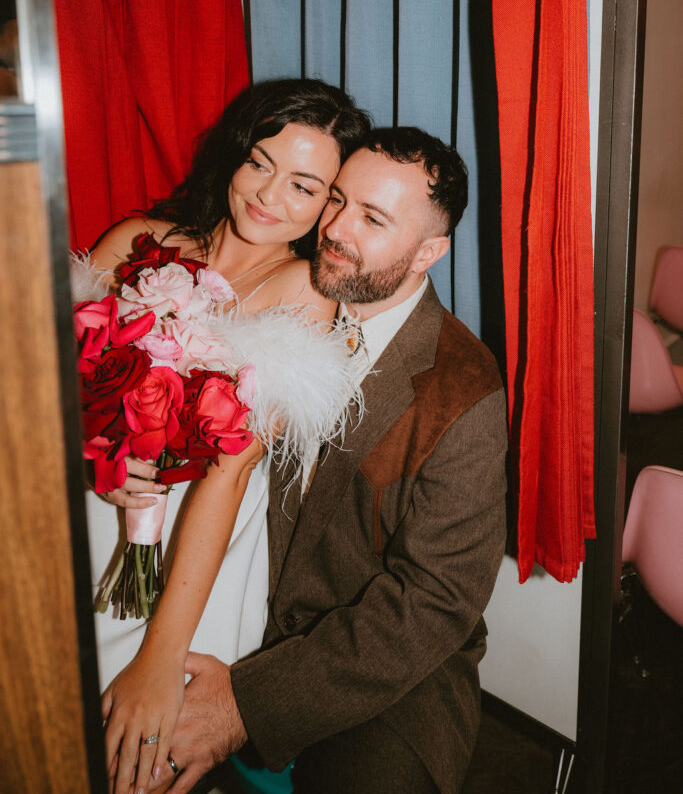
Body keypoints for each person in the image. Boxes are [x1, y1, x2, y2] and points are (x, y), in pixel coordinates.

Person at [135, 126, 509, 794]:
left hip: (378, 669)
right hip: (234, 606)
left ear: (429, 252)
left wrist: (246, 702)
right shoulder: (289, 304)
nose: (335, 228)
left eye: (372, 218)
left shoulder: (463, 386)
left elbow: (433, 601)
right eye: (336, 200)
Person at [83, 77, 371, 706]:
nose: (269, 195)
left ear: (330, 205)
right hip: (83, 504)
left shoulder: (303, 289)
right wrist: (88, 451)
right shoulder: (139, 239)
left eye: (303, 186)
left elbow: (229, 473)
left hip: (195, 540)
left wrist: (160, 659)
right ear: (236, 154)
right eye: (259, 162)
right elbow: (38, 383)